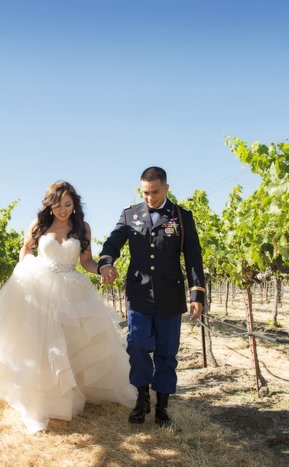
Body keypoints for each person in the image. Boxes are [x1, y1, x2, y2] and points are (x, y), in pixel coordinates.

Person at [0, 181, 136, 433]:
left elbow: (86, 262)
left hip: (73, 289)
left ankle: (74, 391)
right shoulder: (38, 225)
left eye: (67, 204)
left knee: (73, 341)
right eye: (57, 204)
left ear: (74, 204)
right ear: (49, 204)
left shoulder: (82, 228)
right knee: (43, 345)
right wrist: (25, 278)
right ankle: (40, 402)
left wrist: (103, 270)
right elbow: (25, 252)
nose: (62, 210)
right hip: (41, 287)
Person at [98, 166, 205, 426]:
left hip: (170, 294)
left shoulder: (181, 216)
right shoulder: (130, 214)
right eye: (145, 192)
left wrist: (196, 294)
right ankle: (142, 398)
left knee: (167, 353)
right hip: (139, 294)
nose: (149, 197)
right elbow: (113, 243)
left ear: (166, 188)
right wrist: (106, 263)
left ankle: (163, 407)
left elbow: (193, 258)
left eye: (155, 192)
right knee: (137, 346)